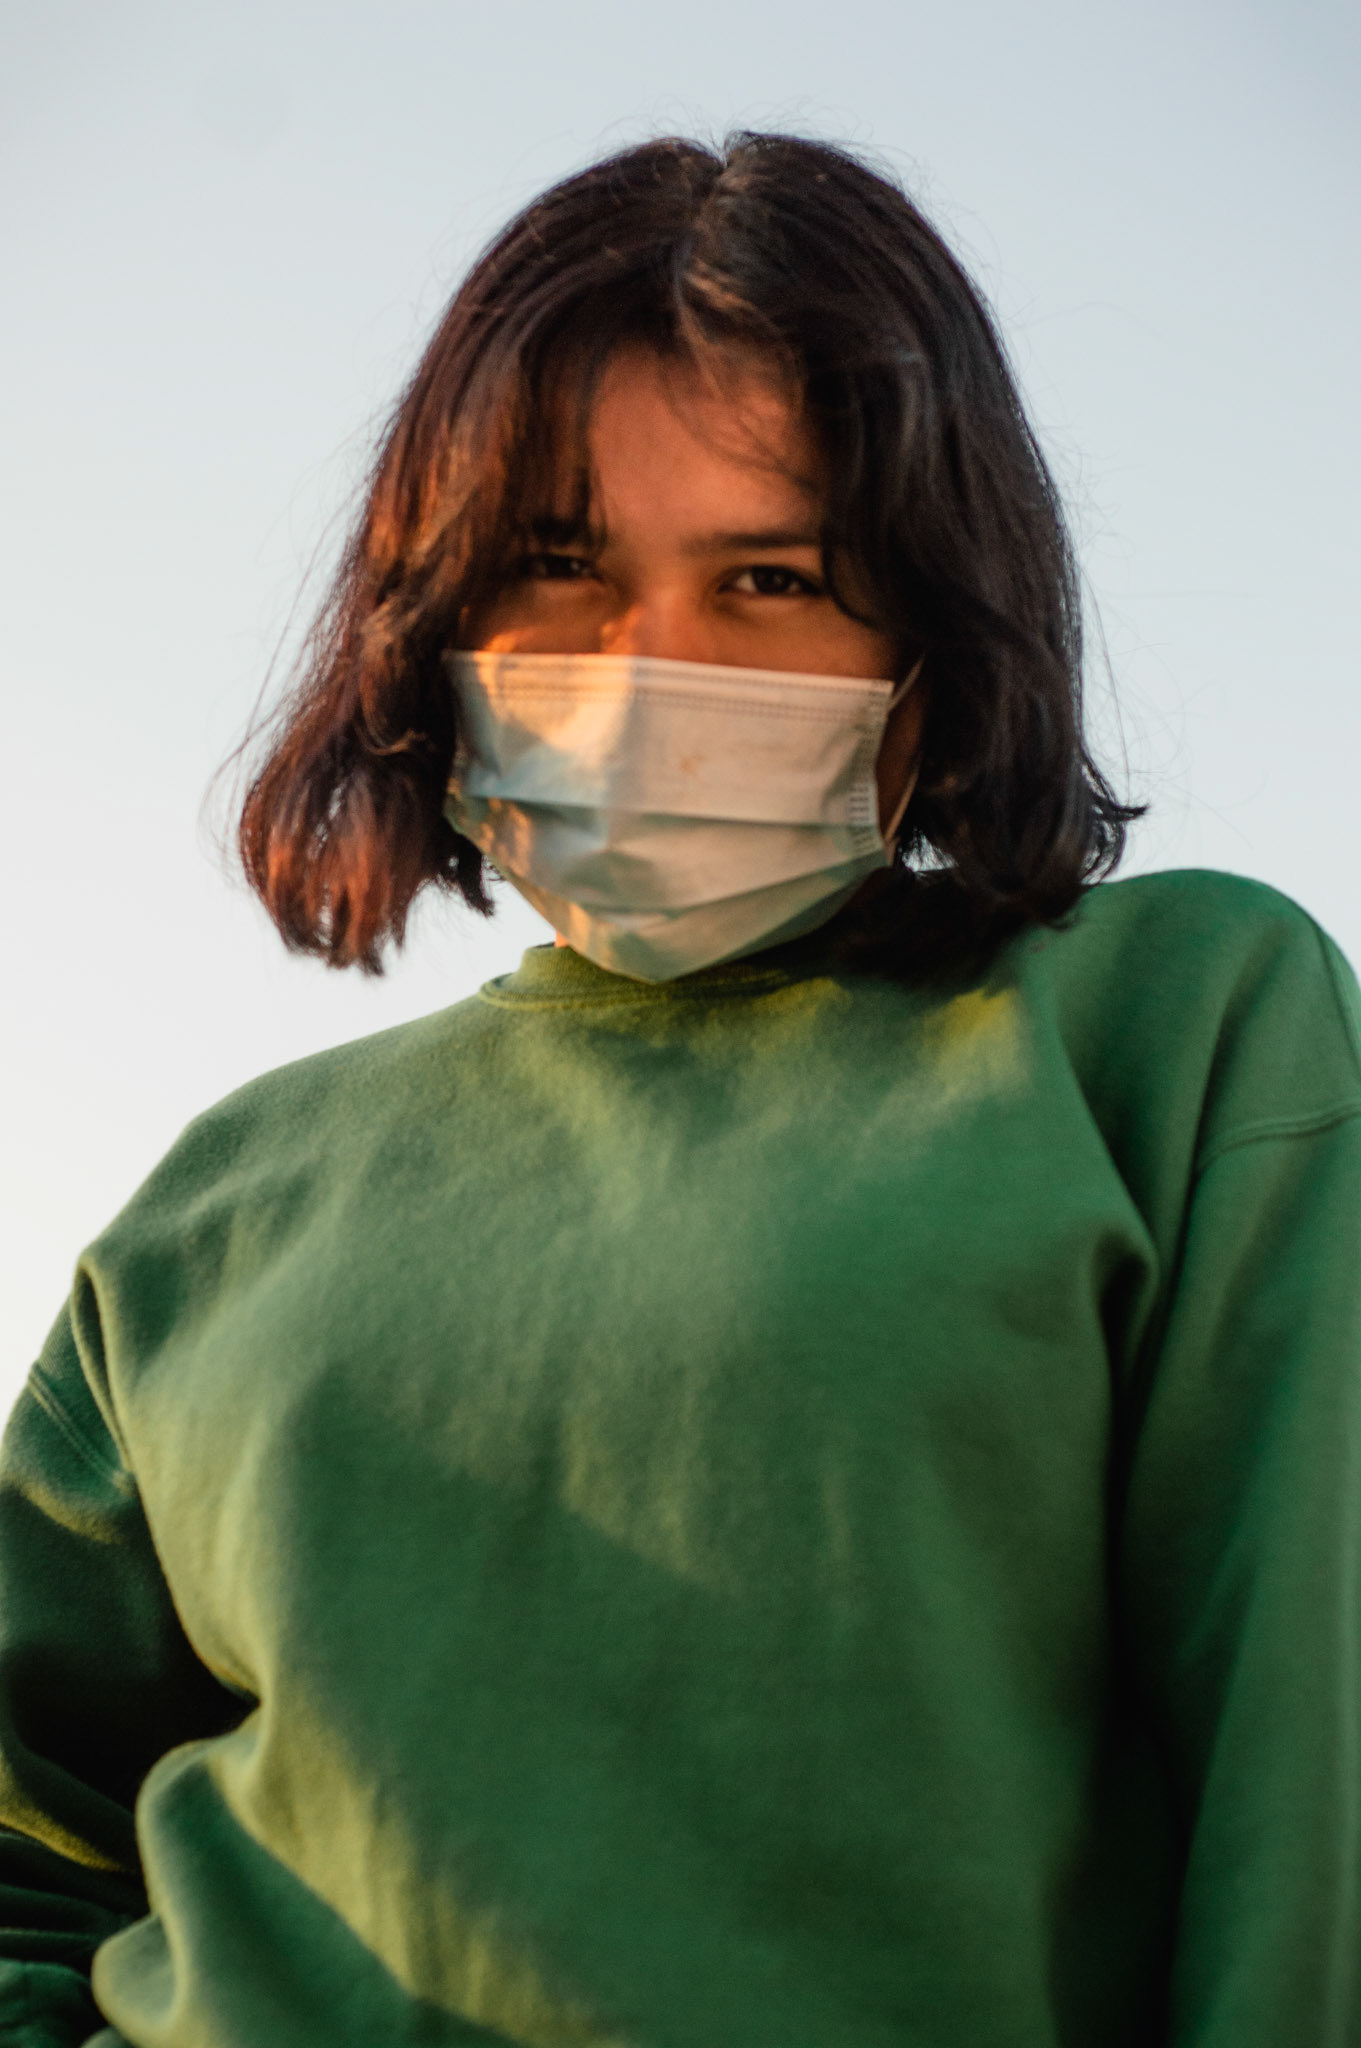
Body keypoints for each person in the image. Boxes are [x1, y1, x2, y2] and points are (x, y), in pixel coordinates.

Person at [2, 131, 1359, 2048]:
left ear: (934, 642)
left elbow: (1309, 1794)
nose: (649, 669)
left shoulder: (1178, 1030)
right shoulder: (217, 1204)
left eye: (772, 576)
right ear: (429, 620)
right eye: (559, 564)